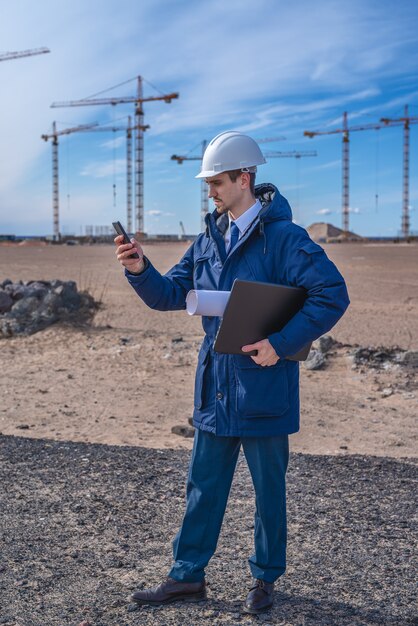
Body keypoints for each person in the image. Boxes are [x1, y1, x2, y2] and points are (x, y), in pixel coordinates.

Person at [115, 131, 350, 615]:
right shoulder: (208, 239)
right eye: (209, 184)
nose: (211, 191)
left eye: (218, 181)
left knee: (269, 493)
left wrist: (280, 345)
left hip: (264, 385)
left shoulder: (284, 238)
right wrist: (140, 268)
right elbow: (168, 295)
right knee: (203, 487)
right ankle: (186, 578)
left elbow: (332, 294)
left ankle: (264, 581)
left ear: (245, 178)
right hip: (216, 388)